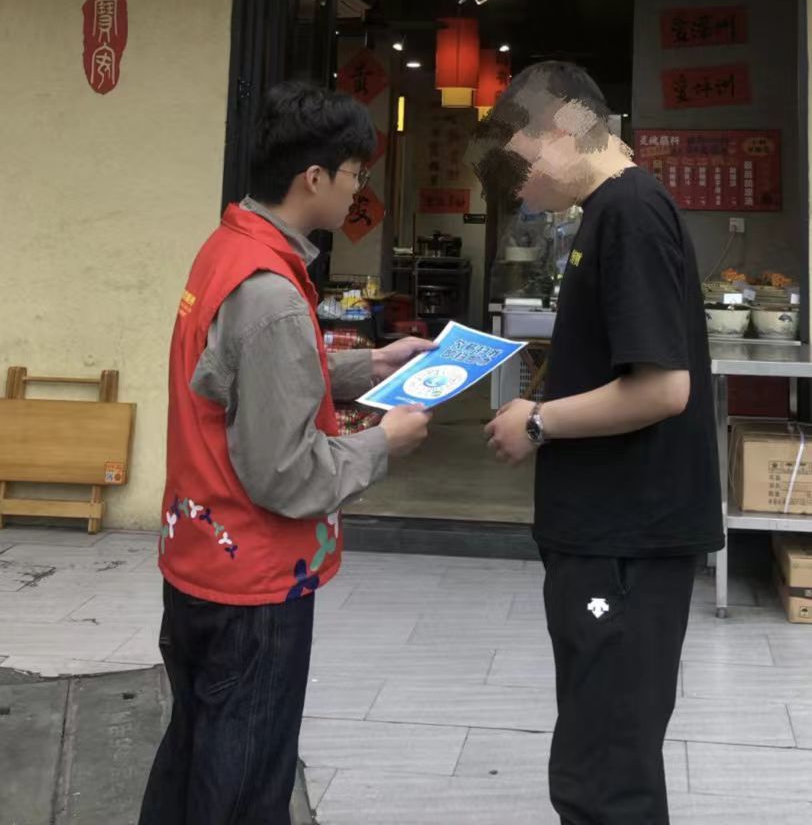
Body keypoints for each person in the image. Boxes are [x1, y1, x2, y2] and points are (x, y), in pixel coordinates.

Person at [139, 81, 432, 825]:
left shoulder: (228, 249)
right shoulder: (270, 291)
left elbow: (245, 374)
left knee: (195, 752)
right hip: (255, 579)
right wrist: (383, 443)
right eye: (355, 174)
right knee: (244, 782)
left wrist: (372, 363)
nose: (358, 189)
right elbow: (285, 472)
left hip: (200, 552)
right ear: (314, 177)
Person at [475, 62, 723, 825]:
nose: (515, 182)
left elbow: (662, 389)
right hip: (610, 534)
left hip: (627, 541)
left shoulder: (630, 212)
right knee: (599, 750)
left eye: (516, 157)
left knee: (605, 775)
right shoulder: (609, 212)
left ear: (562, 127)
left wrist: (538, 419)